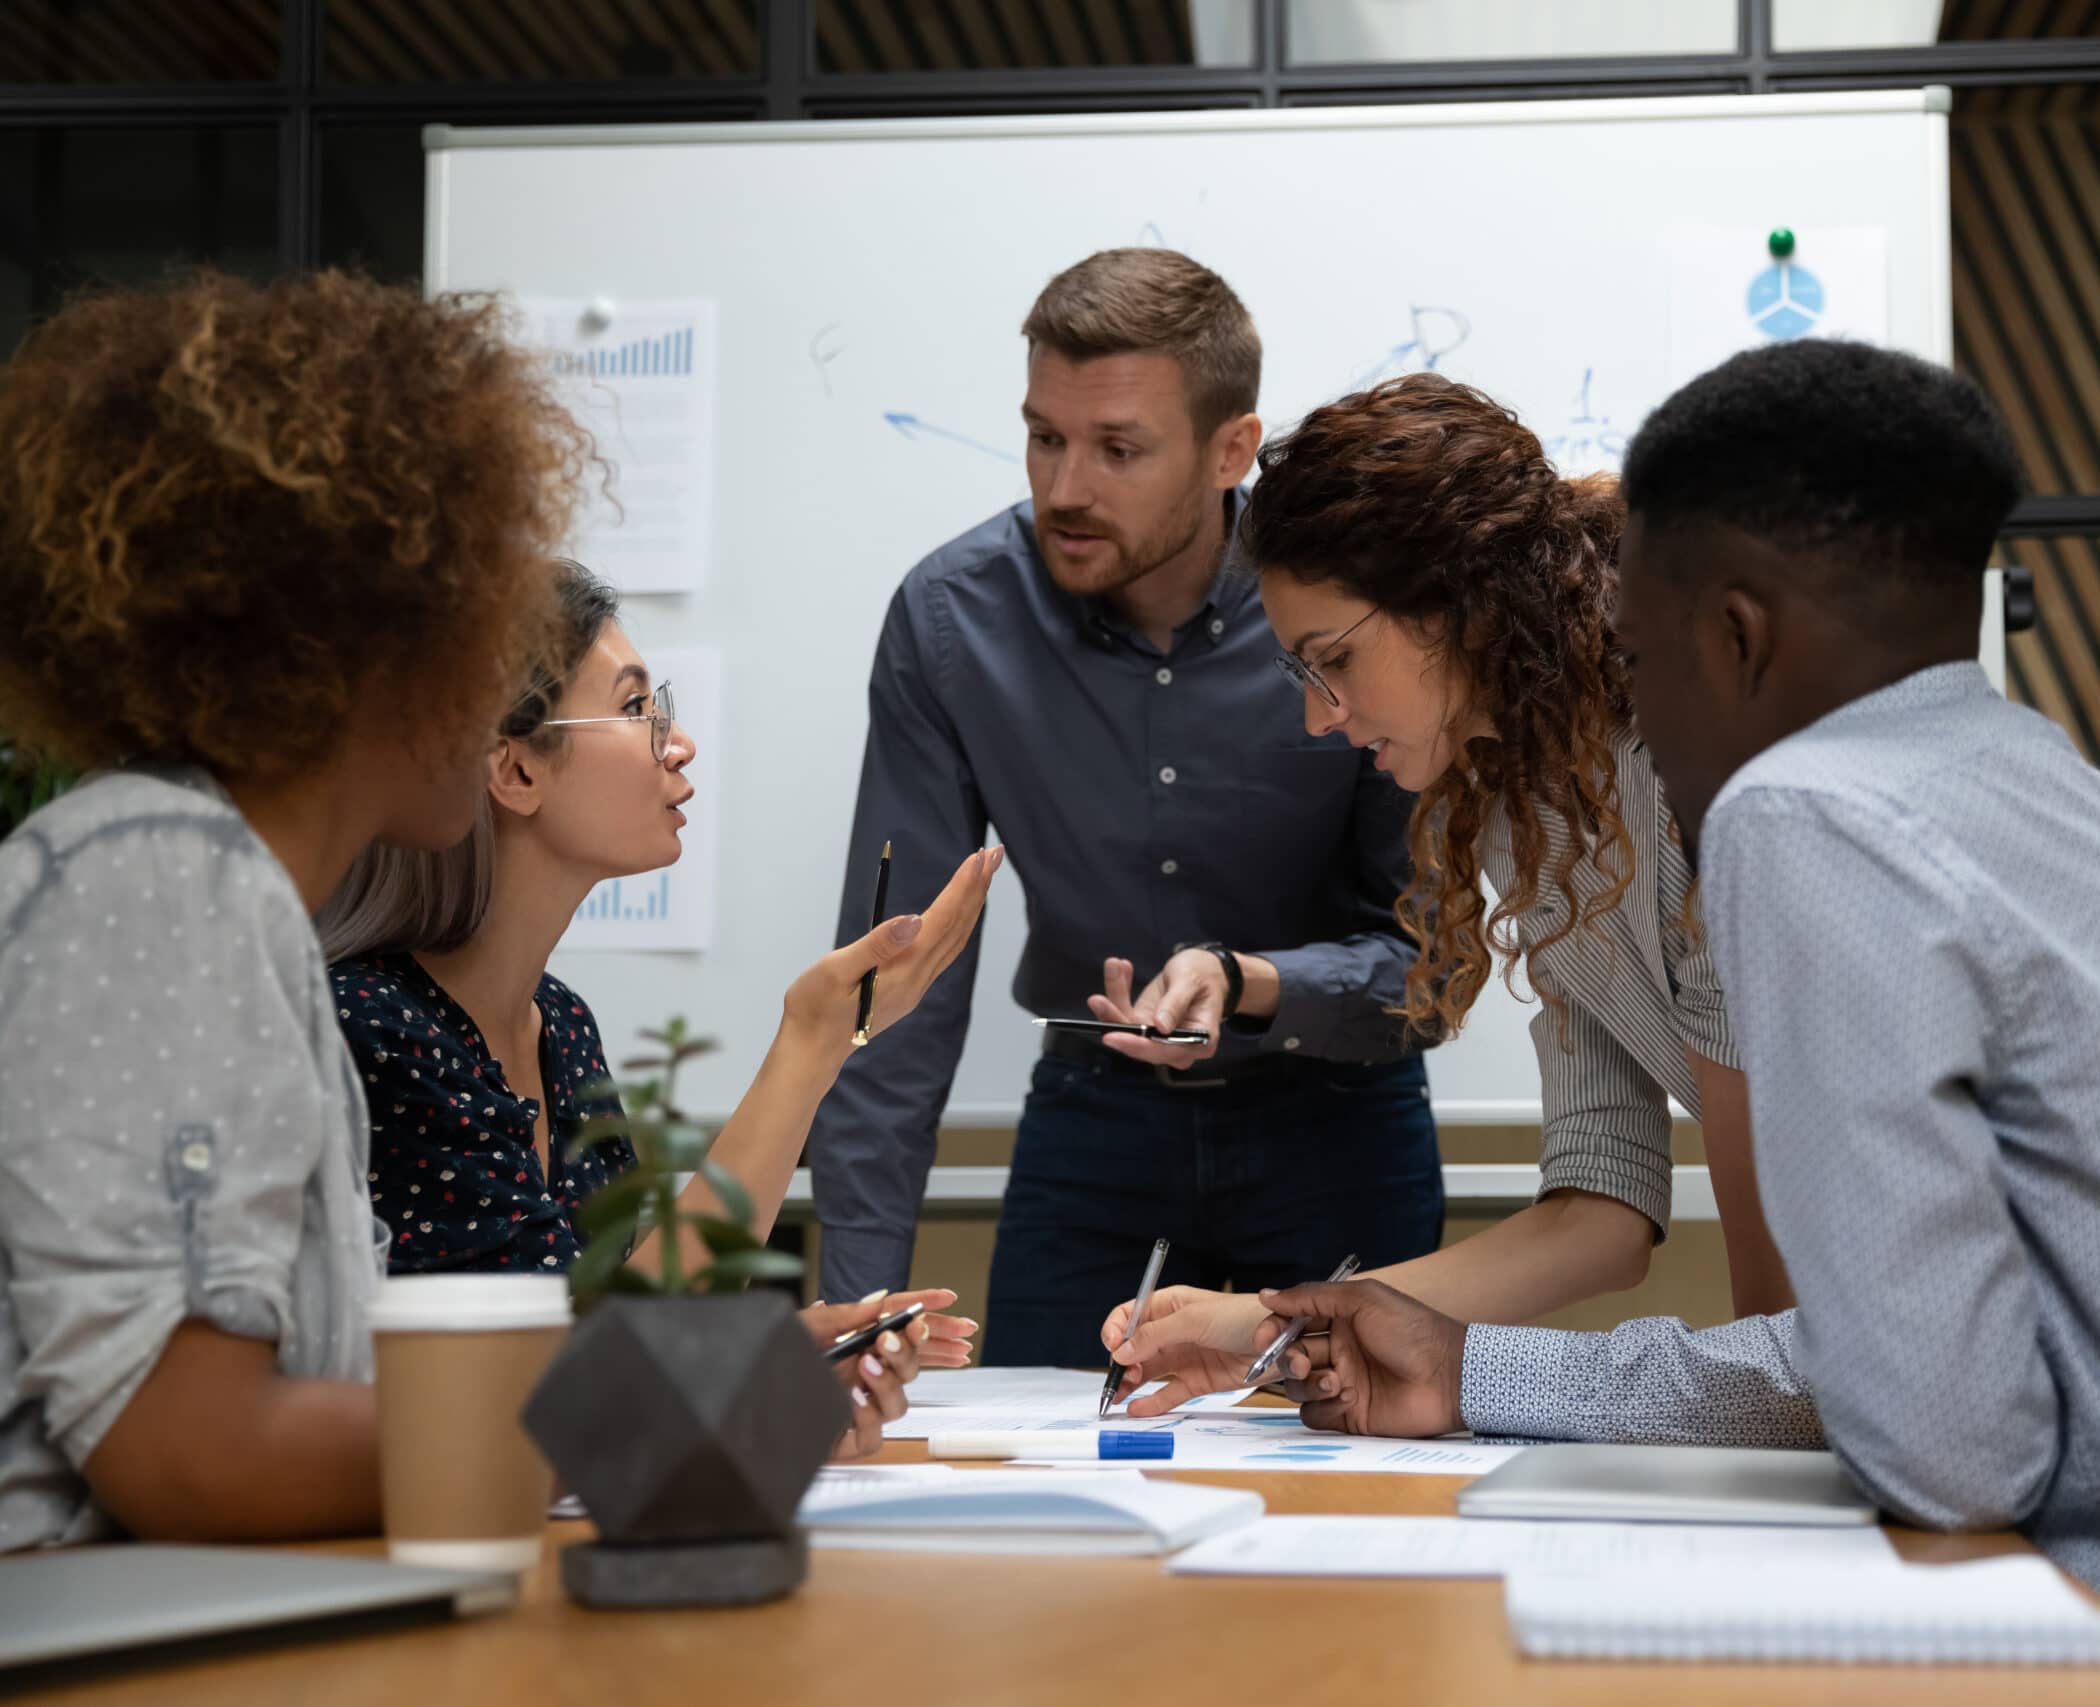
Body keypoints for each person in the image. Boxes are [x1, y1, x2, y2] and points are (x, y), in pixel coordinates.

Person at [1179, 341, 2100, 1624]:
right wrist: (1421, 1349)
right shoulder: (2037, 780)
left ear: (1734, 633)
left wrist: (1481, 1369)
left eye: (1640, 632)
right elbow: (1868, 1359)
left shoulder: (1791, 814)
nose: (1617, 659)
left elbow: (1931, 1432)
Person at [0, 274, 924, 1555]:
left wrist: (693, 1385)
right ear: (365, 646)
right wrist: (654, 1412)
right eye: (475, 628)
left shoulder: (211, 885)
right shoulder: (164, 876)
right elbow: (194, 1455)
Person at [1100, 373, 1810, 1441]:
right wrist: (1270, 1323)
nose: (1314, 719)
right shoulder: (1521, 804)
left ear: (1462, 603)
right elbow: (1601, 1214)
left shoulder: (1702, 780)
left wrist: (1459, 1372)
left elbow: (1785, 1347)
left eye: (1333, 663)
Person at [811, 249, 1443, 1365]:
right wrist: (860, 1311)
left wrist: (1257, 987)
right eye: (1045, 436)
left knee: (1360, 1469)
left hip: (1337, 1116)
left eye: (1118, 449)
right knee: (1036, 1478)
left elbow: (1427, 967)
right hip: (1093, 1124)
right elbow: (894, 979)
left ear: (1230, 449)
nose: (1064, 488)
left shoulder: (1346, 610)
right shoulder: (952, 621)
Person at [317, 560, 995, 1396]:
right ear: (516, 770)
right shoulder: (375, 1032)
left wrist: (764, 1357)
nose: (678, 741)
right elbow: (575, 1394)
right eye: (636, 707)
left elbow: (616, 1333)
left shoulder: (558, 1024)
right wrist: (812, 1041)